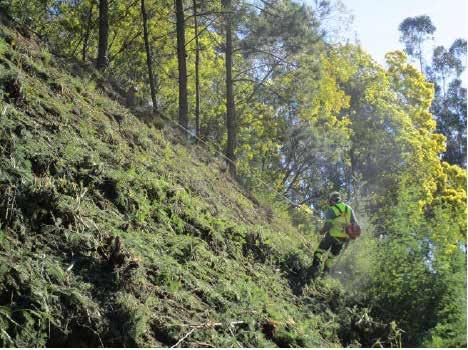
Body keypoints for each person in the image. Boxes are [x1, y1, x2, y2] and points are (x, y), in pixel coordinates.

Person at [308, 191, 358, 280]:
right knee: (331, 257)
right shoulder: (349, 209)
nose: (329, 203)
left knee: (319, 252)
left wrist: (322, 231)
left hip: (331, 236)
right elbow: (355, 225)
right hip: (342, 239)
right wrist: (349, 239)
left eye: (330, 201)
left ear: (332, 200)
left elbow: (328, 225)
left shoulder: (332, 209)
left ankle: (313, 271)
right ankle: (324, 277)